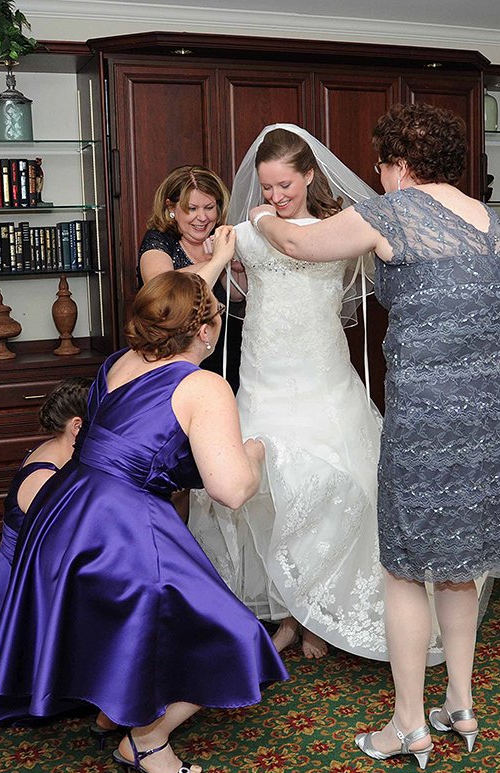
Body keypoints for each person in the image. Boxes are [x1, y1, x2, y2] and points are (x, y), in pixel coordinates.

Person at [249, 104, 500, 769]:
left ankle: (408, 725)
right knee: (461, 570)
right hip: (489, 419)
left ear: (396, 164)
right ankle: (459, 704)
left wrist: (259, 215)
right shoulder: (498, 228)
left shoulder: (394, 212)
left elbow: (297, 243)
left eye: (380, 164)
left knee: (404, 570)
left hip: (427, 418)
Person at [0, 265, 287, 773]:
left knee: (120, 616)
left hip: (69, 505)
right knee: (235, 632)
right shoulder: (204, 385)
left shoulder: (120, 362)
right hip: (124, 520)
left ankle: (111, 711)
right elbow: (232, 490)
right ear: (208, 330)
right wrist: (254, 454)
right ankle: (146, 739)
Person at [189, 124, 444, 663]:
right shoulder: (247, 230)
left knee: (335, 483)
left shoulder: (338, 230)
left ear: (309, 175)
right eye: (267, 188)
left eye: (286, 185)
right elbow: (223, 290)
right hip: (263, 370)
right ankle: (286, 610)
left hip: (322, 371)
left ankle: (321, 616)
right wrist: (225, 257)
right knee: (265, 490)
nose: (276, 197)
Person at [0, 376, 105, 730]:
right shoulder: (43, 479)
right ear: (77, 426)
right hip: (25, 583)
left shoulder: (59, 454)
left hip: (39, 571)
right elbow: (60, 546)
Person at [139, 165, 246, 390]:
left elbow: (236, 296)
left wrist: (233, 266)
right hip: (177, 361)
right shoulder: (159, 240)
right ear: (171, 208)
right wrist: (215, 261)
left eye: (209, 207)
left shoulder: (220, 239)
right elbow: (161, 288)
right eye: (192, 208)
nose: (202, 217)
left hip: (229, 353)